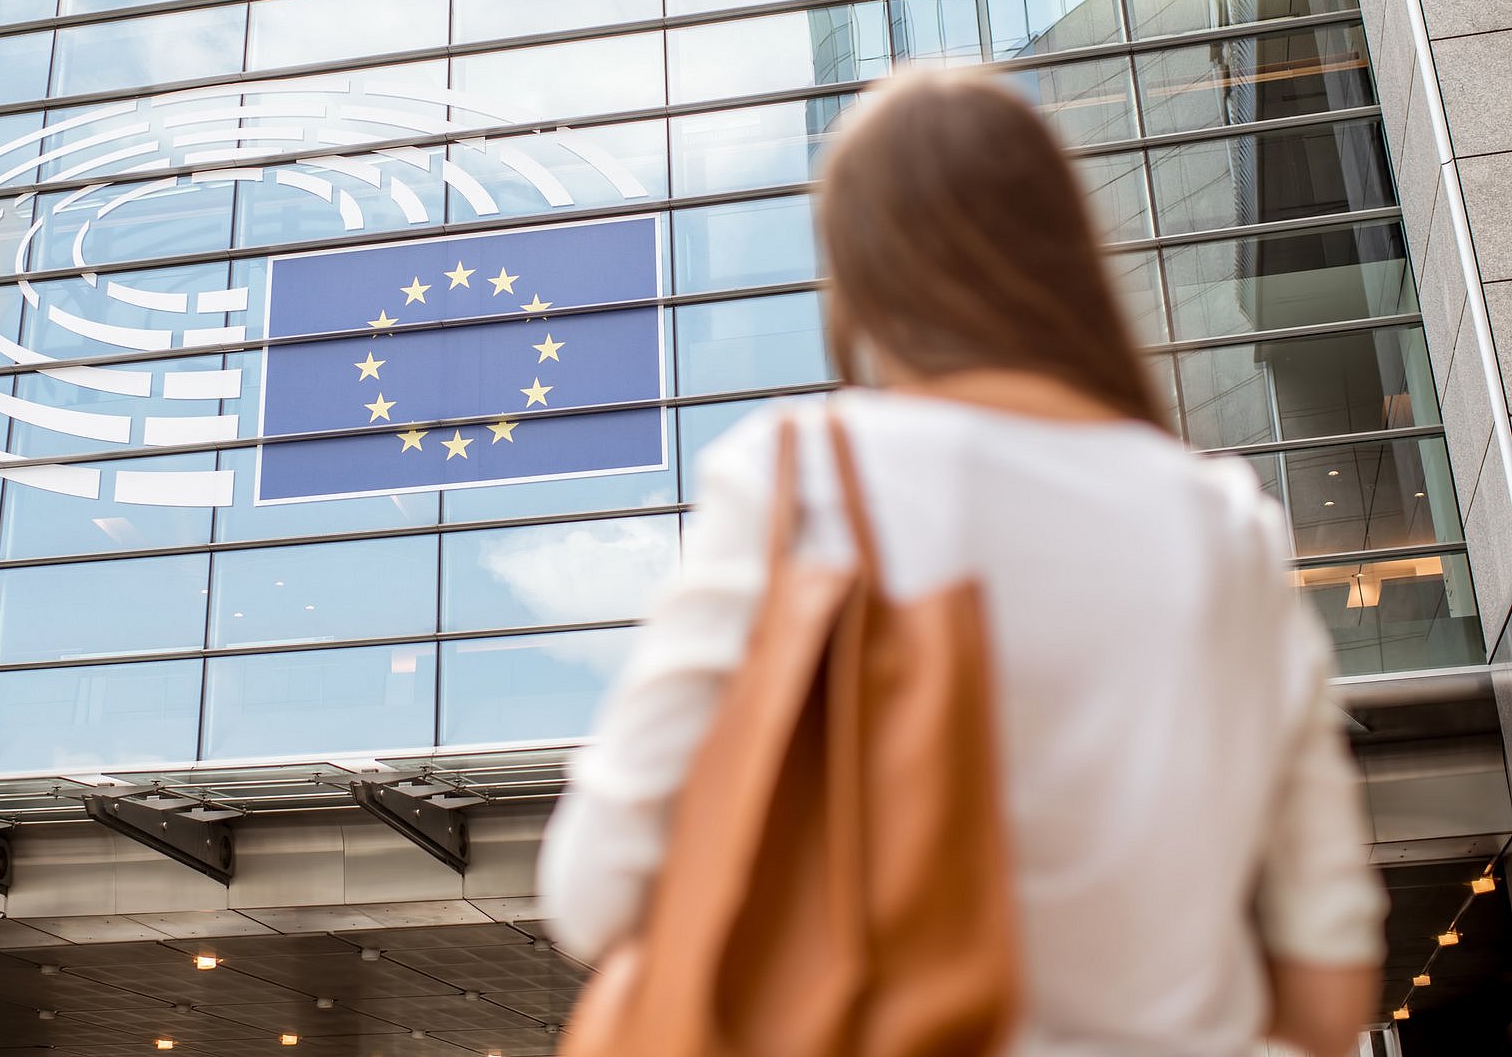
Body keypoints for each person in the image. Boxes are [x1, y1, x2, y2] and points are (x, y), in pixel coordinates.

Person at [538, 67, 1386, 1056]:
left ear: (859, 277)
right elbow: (1328, 981)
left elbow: (594, 890)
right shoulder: (1224, 522)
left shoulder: (803, 478)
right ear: (1065, 255)